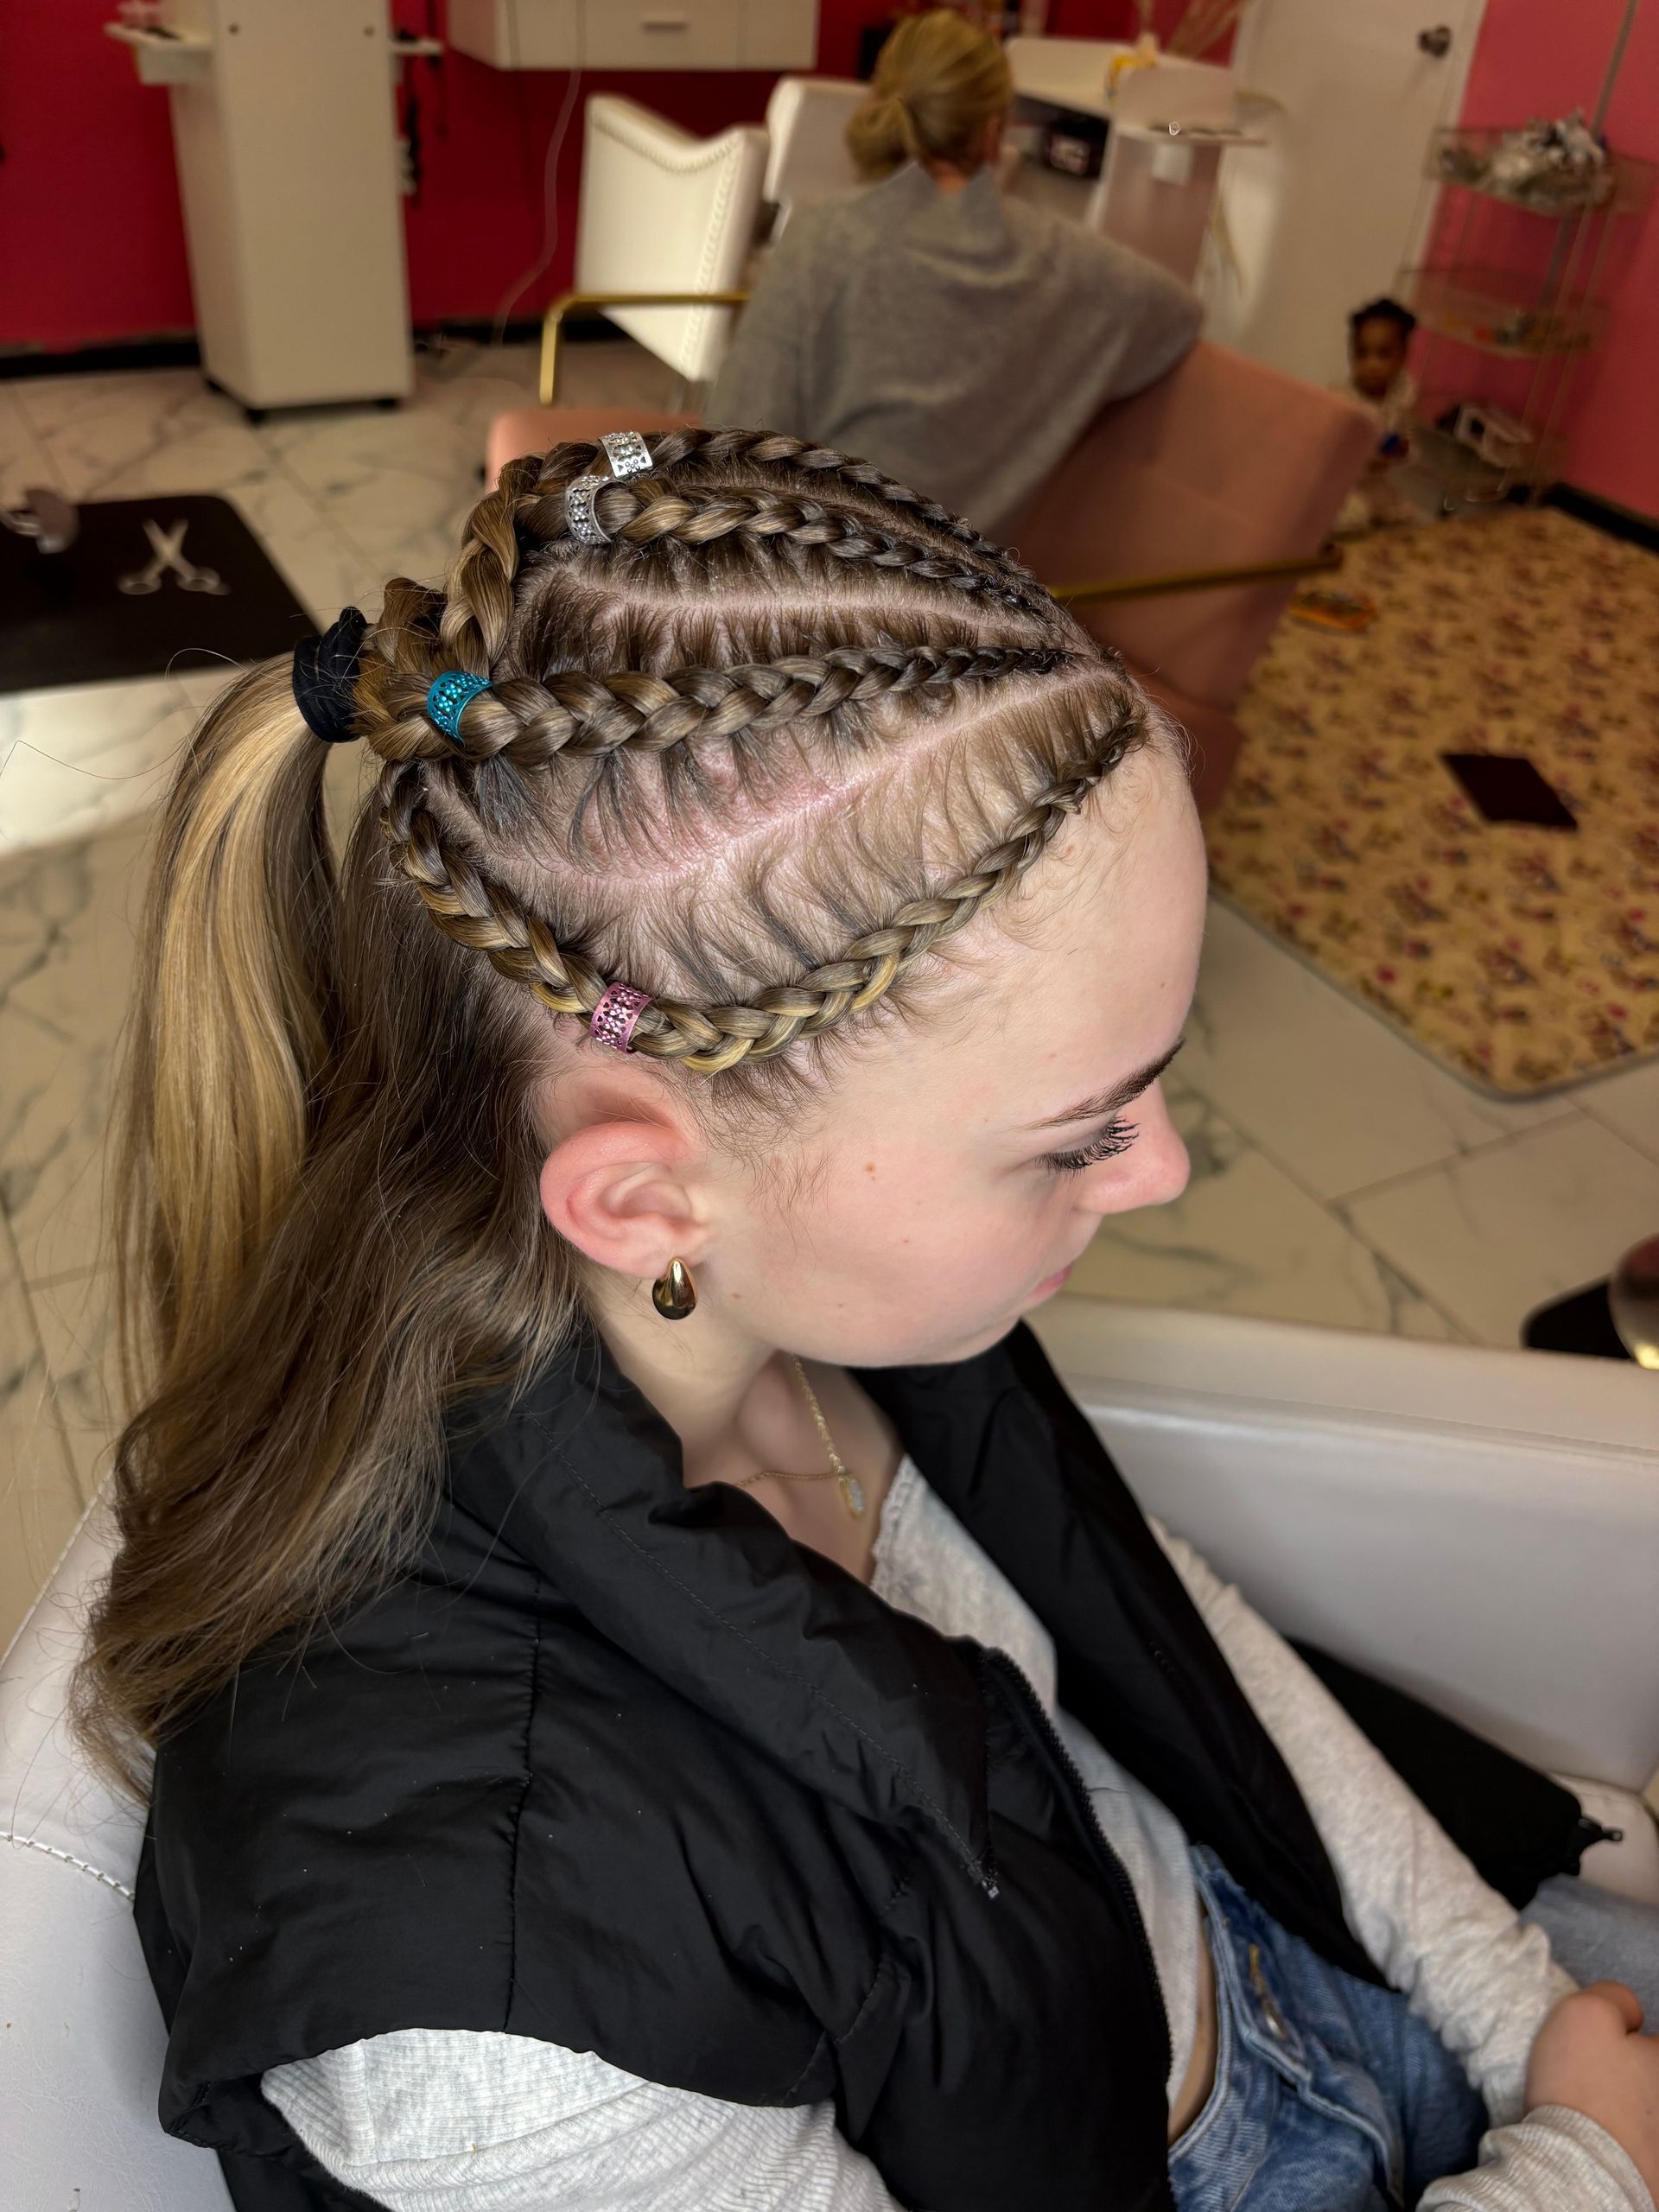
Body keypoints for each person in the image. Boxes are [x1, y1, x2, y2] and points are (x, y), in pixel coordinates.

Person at [75, 424, 1659, 2212]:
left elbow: (1156, 1624)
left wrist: (1524, 2012)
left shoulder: (796, 1302)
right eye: (1078, 1131)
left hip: (1286, 1942)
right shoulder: (481, 2032)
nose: (1164, 1174)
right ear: (643, 1193)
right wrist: (1586, 2164)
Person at [708, 10, 1202, 537]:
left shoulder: (824, 236)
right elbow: (1178, 315)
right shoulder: (1071, 266)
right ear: (993, 134)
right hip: (962, 597)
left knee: (618, 491)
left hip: (817, 589)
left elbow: (736, 441)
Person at [1335, 295, 1420, 531]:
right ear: (1352, 355)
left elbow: (1408, 437)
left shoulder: (1401, 397)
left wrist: (1403, 449)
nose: (1372, 364)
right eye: (1362, 354)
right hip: (1344, 484)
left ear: (1403, 357)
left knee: (1405, 514)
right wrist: (1364, 458)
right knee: (1353, 517)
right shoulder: (1344, 399)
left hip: (1375, 483)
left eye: (1383, 355)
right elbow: (1330, 453)